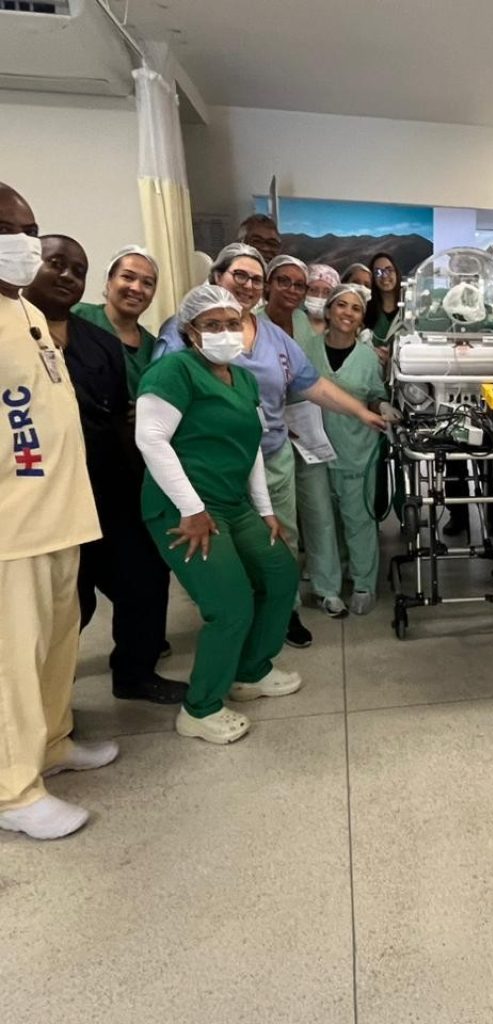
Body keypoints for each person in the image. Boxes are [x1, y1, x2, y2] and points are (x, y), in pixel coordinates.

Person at [157, 243, 387, 647]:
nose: (247, 285)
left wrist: (361, 412)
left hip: (271, 456)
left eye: (255, 279)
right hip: (214, 465)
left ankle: (282, 613)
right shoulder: (182, 335)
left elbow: (312, 384)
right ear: (217, 277)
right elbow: (158, 413)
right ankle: (236, 622)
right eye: (239, 276)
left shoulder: (275, 339)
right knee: (225, 552)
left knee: (280, 539)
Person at [0, 183, 117, 841]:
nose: (21, 242)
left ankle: (49, 743)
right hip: (10, 525)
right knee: (11, 660)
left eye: (28, 229)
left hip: (61, 511)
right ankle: (11, 791)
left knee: (57, 643)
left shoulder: (27, 312)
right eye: (7, 230)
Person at [23, 235, 185, 705]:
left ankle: (135, 672)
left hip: (110, 482)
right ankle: (42, 700)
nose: (67, 276)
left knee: (144, 576)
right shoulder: (15, 334)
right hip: (42, 491)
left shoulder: (102, 343)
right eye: (56, 264)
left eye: (77, 269)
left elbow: (118, 415)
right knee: (68, 599)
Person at [136, 284, 302, 744]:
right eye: (212, 325)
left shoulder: (242, 379)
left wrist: (264, 508)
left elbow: (252, 447)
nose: (225, 332)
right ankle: (201, 707)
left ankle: (250, 671)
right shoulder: (174, 371)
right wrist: (191, 509)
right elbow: (150, 439)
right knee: (230, 605)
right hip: (183, 509)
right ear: (190, 331)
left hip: (231, 503)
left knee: (280, 574)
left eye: (233, 323)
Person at [294, 284, 396, 617]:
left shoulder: (367, 357)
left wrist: (382, 406)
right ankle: (327, 589)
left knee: (358, 520)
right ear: (328, 310)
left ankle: (364, 584)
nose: (348, 313)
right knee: (320, 523)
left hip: (357, 450)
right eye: (341, 305)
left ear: (362, 317)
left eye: (356, 308)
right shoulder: (306, 349)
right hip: (312, 450)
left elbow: (376, 394)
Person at [72, 245, 159, 399]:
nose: (137, 288)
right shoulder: (78, 316)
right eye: (128, 277)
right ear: (109, 281)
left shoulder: (154, 349)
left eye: (147, 283)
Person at [262, 254, 320, 351]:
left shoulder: (300, 319)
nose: (292, 290)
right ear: (268, 285)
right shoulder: (254, 322)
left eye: (299, 285)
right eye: (284, 281)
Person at [364, 252, 402, 366]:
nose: (384, 276)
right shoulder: (366, 309)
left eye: (389, 270)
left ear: (396, 273)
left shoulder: (409, 307)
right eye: (378, 272)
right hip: (372, 370)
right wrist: (371, 352)